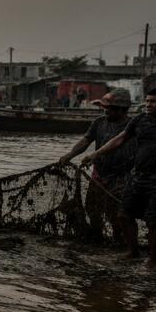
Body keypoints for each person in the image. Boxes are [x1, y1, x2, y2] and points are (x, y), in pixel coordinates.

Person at [83, 86, 156, 266]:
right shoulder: (140, 120)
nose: (148, 104)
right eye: (147, 101)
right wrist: (96, 154)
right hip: (137, 176)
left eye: (153, 101)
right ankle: (133, 252)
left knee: (154, 221)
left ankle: (152, 261)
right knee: (124, 215)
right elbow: (120, 138)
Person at [58, 89, 135, 238]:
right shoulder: (99, 122)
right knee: (92, 207)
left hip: (123, 175)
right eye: (104, 108)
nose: (105, 112)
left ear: (121, 109)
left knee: (117, 211)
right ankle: (97, 236)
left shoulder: (133, 126)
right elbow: (86, 140)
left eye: (109, 109)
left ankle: (118, 239)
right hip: (99, 173)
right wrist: (70, 154)